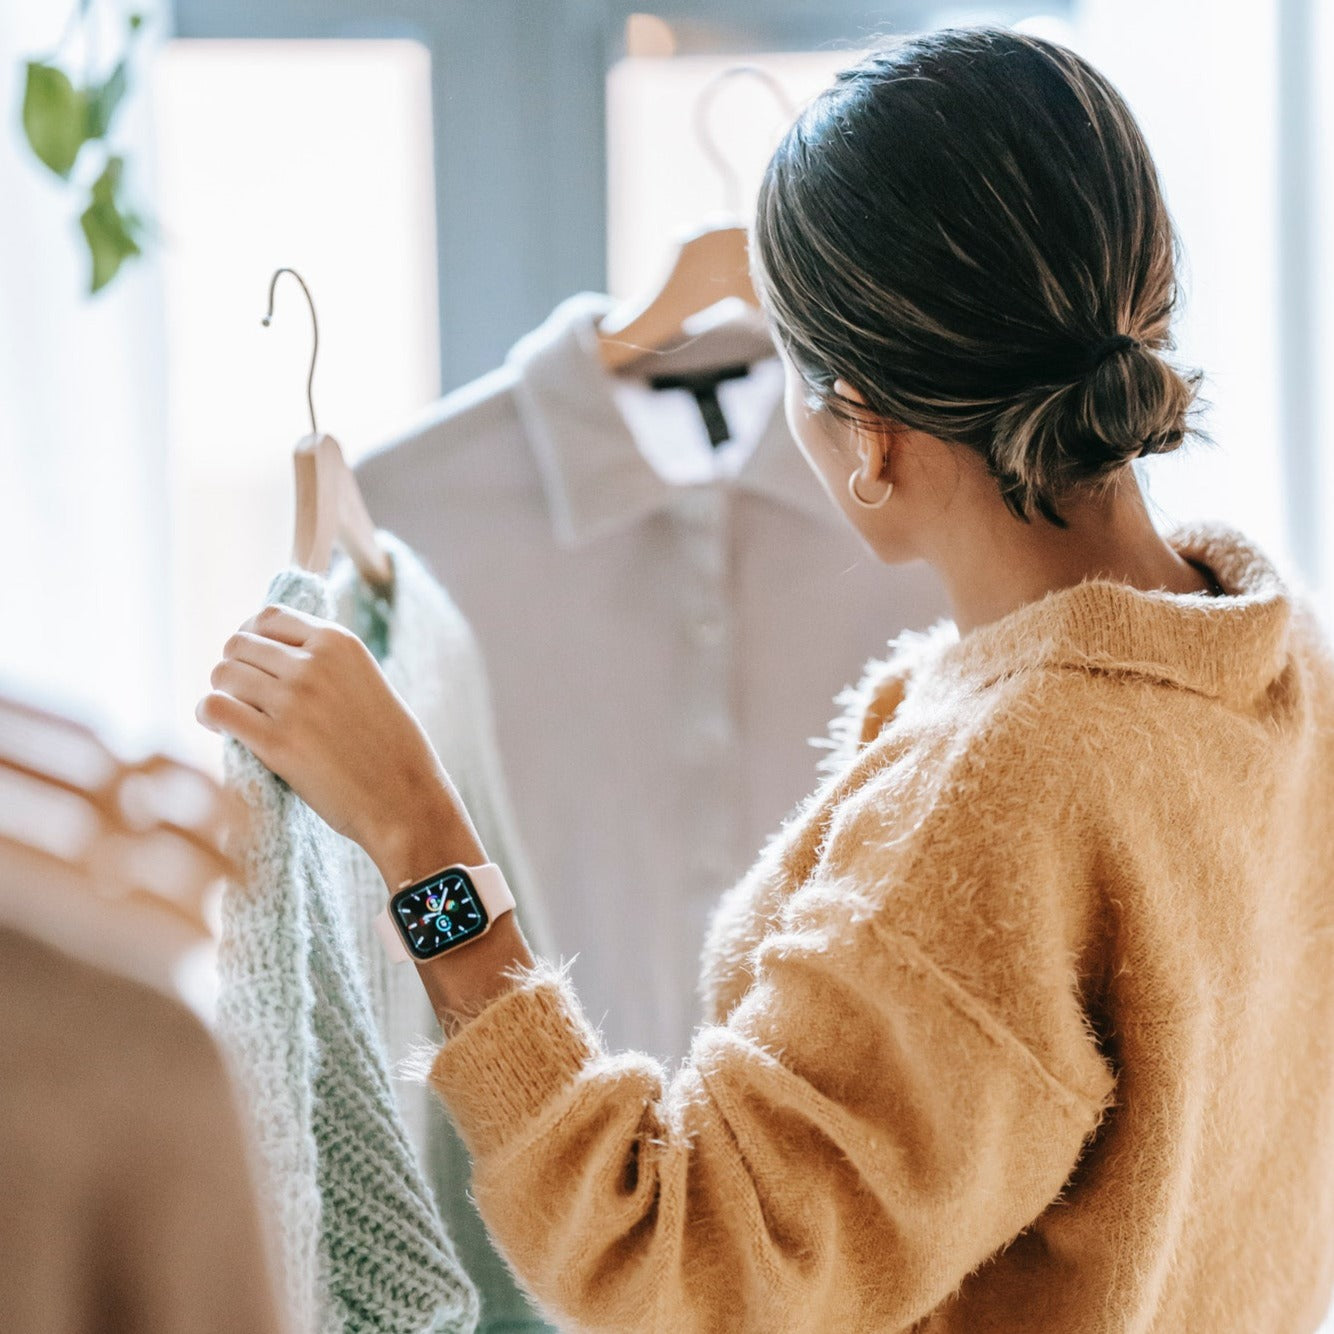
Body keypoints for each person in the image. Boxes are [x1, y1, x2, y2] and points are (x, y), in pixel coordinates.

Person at [198, 25, 1334, 1334]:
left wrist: (419, 833)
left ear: (866, 434)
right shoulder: (1275, 662)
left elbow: (678, 1262)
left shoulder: (1006, 792)